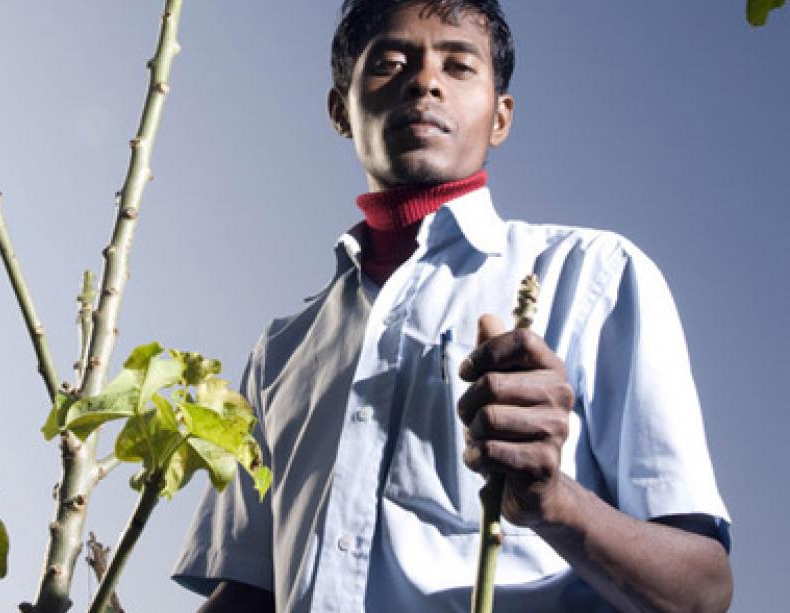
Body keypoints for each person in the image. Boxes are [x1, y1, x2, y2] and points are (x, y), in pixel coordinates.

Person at [173, 1, 733, 611]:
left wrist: (554, 500)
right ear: (340, 109)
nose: (425, 81)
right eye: (390, 61)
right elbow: (251, 593)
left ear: (501, 117)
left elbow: (701, 591)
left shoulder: (596, 275)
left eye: (460, 65)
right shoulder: (281, 351)